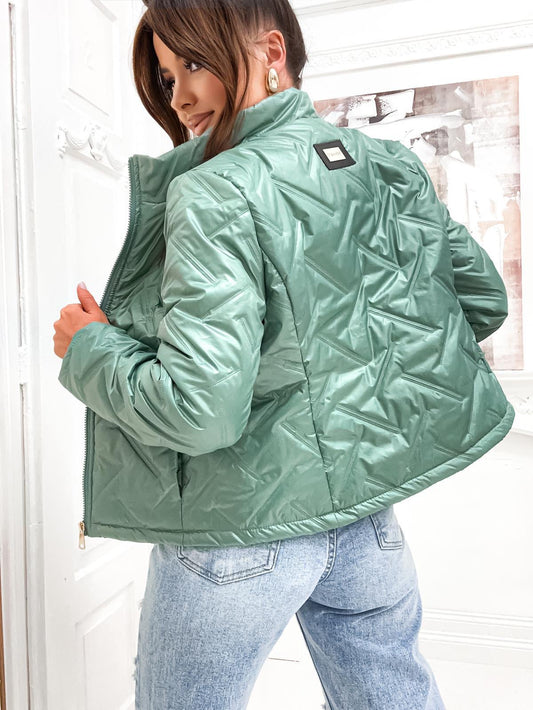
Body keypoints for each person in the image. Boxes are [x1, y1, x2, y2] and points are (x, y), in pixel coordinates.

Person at [52, 1, 515, 708]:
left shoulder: (215, 190)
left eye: (195, 64)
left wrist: (89, 348)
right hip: (365, 520)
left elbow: (200, 411)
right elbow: (480, 301)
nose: (179, 98)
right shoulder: (385, 162)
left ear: (271, 52)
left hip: (237, 532)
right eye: (168, 76)